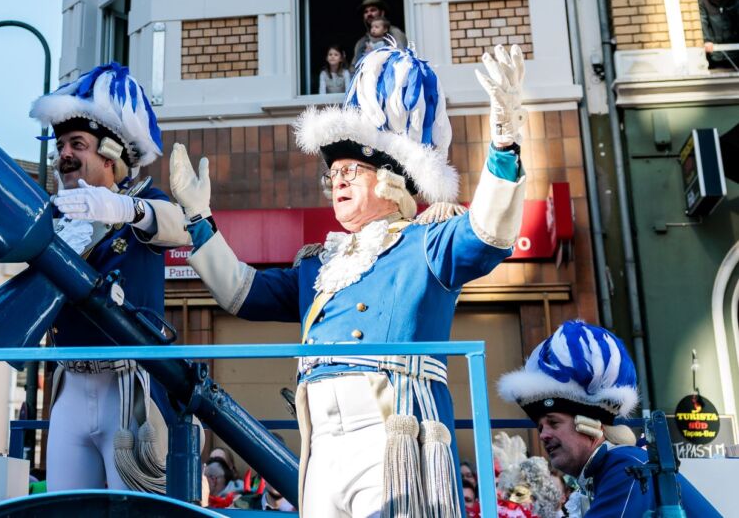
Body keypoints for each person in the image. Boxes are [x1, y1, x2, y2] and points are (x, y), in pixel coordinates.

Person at [170, 43, 530, 516]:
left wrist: (504, 141)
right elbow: (243, 292)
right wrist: (198, 220)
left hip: (390, 434)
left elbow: (489, 232)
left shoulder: (426, 243)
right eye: (333, 173)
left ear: (390, 181)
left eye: (351, 170)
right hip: (321, 438)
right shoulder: (321, 264)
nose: (337, 181)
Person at [31, 62, 190, 494]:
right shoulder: (54, 219)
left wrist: (123, 210)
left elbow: (180, 227)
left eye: (77, 143)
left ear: (112, 154)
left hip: (129, 386)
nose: (64, 153)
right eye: (61, 144)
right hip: (69, 385)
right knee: (67, 506)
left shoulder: (142, 203)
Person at [498, 321, 722, 517]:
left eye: (554, 422)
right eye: (540, 427)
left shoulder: (623, 466)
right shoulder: (606, 471)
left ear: (588, 424)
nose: (544, 434)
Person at [700, 0, 739, 69]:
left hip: (736, 54)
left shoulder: (736, 4)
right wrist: (707, 40)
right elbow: (702, 22)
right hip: (714, 57)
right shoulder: (703, 4)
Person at [352, 0, 407, 64]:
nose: (369, 14)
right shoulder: (361, 42)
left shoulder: (395, 33)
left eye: (373, 10)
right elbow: (354, 67)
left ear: (382, 13)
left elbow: (402, 58)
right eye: (366, 12)